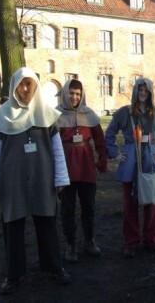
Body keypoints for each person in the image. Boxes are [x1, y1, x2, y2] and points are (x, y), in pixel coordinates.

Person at [0, 67, 71, 294]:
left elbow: (58, 152)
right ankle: (14, 274)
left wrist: (61, 178)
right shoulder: (3, 115)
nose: (24, 89)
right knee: (13, 227)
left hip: (42, 179)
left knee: (47, 224)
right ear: (14, 87)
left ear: (35, 86)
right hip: (13, 182)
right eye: (21, 84)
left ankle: (53, 267)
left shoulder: (47, 115)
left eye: (28, 84)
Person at [105, 77, 155, 258]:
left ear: (150, 93)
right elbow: (110, 133)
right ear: (136, 91)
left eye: (146, 91)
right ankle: (132, 242)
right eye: (140, 90)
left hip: (149, 159)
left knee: (151, 203)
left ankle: (151, 240)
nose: (143, 93)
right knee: (130, 205)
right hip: (130, 160)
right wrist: (115, 153)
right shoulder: (124, 112)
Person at [56, 79, 107, 262]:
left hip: (86, 166)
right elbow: (49, 144)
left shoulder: (90, 115)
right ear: (65, 93)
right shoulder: (55, 115)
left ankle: (89, 240)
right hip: (65, 167)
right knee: (67, 208)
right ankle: (70, 244)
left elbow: (100, 141)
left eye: (78, 93)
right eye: (71, 93)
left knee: (89, 206)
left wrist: (102, 161)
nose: (74, 97)